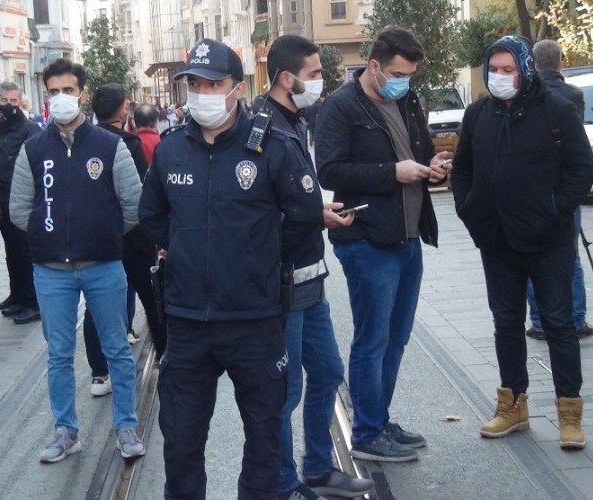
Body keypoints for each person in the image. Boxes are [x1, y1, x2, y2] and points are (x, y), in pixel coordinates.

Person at [139, 38, 324, 499]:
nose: (203, 92)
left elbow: (304, 217)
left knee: (263, 443)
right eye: (195, 83)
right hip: (186, 323)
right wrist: (177, 251)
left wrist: (259, 258)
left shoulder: (274, 145)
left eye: (214, 83)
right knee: (180, 444)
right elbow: (151, 215)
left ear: (237, 88)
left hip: (255, 321)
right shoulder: (170, 150)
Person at [449, 35, 593, 449]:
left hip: (548, 242)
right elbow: (462, 170)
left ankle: (570, 413)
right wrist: (469, 209)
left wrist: (555, 212)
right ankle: (512, 406)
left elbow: (582, 171)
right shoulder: (478, 114)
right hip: (497, 241)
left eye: (507, 69)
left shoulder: (556, 110)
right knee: (506, 323)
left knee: (559, 324)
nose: (499, 77)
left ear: (525, 69)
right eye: (493, 69)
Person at [315, 26, 451, 462]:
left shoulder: (406, 99)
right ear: (373, 66)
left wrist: (433, 166)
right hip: (367, 240)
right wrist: (394, 172)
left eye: (409, 74)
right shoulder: (340, 107)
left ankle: (380, 417)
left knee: (396, 337)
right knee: (372, 339)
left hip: (408, 235)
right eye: (396, 72)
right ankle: (368, 434)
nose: (403, 81)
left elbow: (421, 150)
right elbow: (331, 171)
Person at [9, 58, 146, 463]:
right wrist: (49, 234)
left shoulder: (109, 145)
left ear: (82, 94)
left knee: (117, 349)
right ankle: (66, 430)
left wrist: (101, 234)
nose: (61, 98)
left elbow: (134, 204)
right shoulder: (33, 149)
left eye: (68, 90)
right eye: (54, 91)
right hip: (51, 271)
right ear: (45, 95)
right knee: (59, 354)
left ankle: (126, 425)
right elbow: (19, 209)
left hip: (103, 266)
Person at [260, 35, 373, 500]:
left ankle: (318, 467)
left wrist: (317, 212)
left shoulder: (296, 120)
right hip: (282, 283)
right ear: (287, 79)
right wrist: (312, 214)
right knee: (285, 390)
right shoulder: (263, 130)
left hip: (310, 276)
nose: (319, 82)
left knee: (327, 371)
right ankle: (284, 484)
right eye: (312, 74)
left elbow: (293, 198)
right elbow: (260, 212)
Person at [80, 83, 167, 398]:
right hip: (132, 237)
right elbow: (142, 195)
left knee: (96, 305)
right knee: (152, 296)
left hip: (99, 238)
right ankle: (165, 354)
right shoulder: (126, 144)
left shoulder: (82, 143)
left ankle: (100, 373)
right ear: (122, 110)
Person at [525, 39, 593, 341]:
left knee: (529, 257)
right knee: (571, 257)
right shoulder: (573, 95)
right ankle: (575, 318)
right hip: (566, 186)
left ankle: (540, 321)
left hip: (531, 189)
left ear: (534, 63)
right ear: (560, 62)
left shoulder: (524, 95)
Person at [0, 81, 41, 325]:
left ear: (21, 102)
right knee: (12, 252)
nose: (9, 105)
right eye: (5, 101)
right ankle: (16, 294)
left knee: (25, 251)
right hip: (0, 199)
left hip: (21, 200)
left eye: (13, 101)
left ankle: (32, 301)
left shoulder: (30, 130)